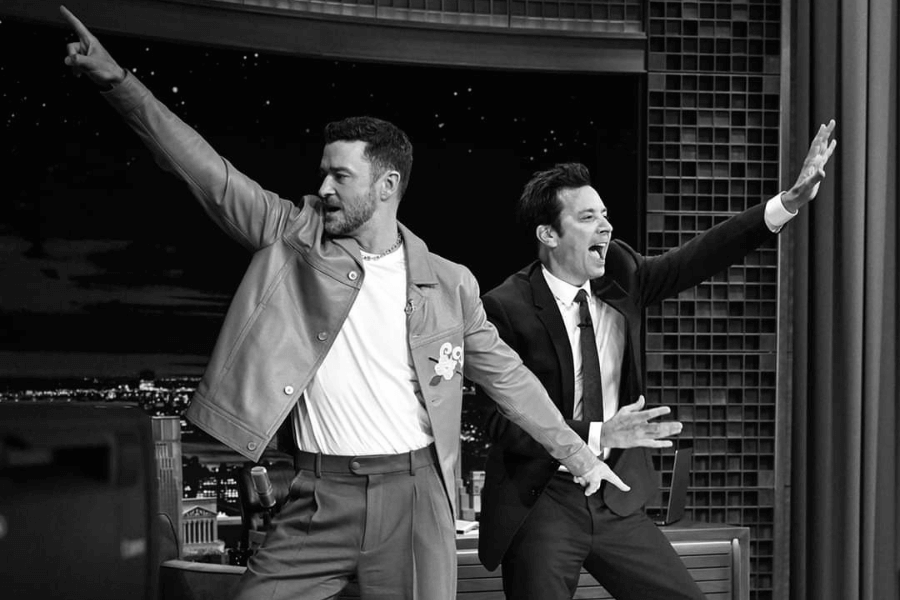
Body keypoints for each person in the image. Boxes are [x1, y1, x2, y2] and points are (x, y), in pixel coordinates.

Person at [56, 5, 617, 600]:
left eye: (339, 177)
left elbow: (511, 380)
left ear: (386, 186)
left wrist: (579, 456)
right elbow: (209, 175)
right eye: (322, 173)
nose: (322, 187)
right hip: (317, 494)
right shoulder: (291, 237)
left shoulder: (448, 284)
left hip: (414, 495)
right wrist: (120, 85)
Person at [477, 123, 836, 599]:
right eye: (587, 218)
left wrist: (785, 204)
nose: (605, 226)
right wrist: (599, 434)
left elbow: (700, 257)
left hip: (616, 496)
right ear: (548, 233)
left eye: (605, 214)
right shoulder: (506, 307)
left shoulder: (621, 272)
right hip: (544, 497)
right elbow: (497, 422)